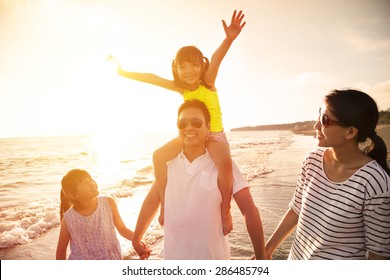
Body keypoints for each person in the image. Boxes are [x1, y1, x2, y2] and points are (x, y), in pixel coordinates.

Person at [107, 10, 246, 235]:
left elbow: (218, 57)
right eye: (183, 66)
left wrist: (229, 38)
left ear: (201, 66)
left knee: (225, 163)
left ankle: (225, 211)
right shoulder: (180, 87)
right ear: (176, 68)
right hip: (190, 134)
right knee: (159, 156)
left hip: (214, 134)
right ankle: (164, 202)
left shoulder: (207, 82)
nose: (188, 71)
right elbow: (152, 78)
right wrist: (123, 72)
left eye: (193, 65)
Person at [131, 100, 267, 260]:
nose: (189, 128)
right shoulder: (169, 165)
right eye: (182, 124)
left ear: (208, 127)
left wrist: (261, 256)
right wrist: (136, 238)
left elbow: (249, 209)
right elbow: (152, 201)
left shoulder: (223, 165)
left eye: (196, 122)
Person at [265, 89, 390, 260]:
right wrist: (267, 249)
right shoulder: (312, 161)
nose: (316, 126)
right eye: (319, 115)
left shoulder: (375, 183)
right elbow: (296, 209)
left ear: (350, 132)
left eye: (324, 120)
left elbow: (378, 254)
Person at [56, 169, 147, 260]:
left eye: (90, 179)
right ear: (73, 195)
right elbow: (61, 250)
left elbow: (122, 229)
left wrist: (138, 241)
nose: (92, 183)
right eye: (85, 183)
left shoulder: (108, 203)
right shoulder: (69, 219)